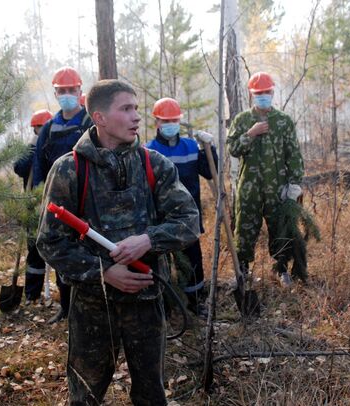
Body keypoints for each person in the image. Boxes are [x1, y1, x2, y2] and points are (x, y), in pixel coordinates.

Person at [37, 80, 200, 405]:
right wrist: (105, 271)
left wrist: (148, 240)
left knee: (151, 395)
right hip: (93, 309)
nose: (136, 117)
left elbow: (189, 222)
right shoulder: (69, 169)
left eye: (136, 108)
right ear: (99, 117)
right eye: (126, 109)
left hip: (146, 302)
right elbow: (50, 242)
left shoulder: (154, 165)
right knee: (85, 396)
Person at [227, 71, 305, 287]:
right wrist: (250, 134)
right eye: (258, 93)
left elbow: (294, 154)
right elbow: (232, 149)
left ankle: (281, 269)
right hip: (249, 188)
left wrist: (294, 184)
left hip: (276, 188)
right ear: (252, 94)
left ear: (272, 92)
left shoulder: (283, 121)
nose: (263, 95)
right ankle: (242, 271)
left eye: (266, 92)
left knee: (279, 229)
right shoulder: (242, 120)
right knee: (244, 229)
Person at [33, 67, 93, 323]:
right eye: (63, 91)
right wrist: (39, 197)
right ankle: (66, 306)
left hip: (89, 199)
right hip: (58, 204)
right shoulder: (49, 128)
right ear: (56, 94)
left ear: (80, 91)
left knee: (90, 251)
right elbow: (38, 165)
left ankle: (90, 305)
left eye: (72, 90)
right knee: (62, 254)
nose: (67, 95)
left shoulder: (90, 122)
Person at [146, 97, 216, 315]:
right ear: (157, 122)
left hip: (189, 215)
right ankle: (165, 304)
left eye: (174, 120)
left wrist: (208, 149)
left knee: (193, 258)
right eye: (165, 120)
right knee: (161, 261)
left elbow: (209, 171)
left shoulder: (191, 146)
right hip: (161, 216)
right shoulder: (148, 150)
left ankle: (195, 302)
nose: (170, 124)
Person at [13, 109, 53, 303]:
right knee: (34, 252)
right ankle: (31, 294)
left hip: (54, 206)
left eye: (44, 126)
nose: (41, 130)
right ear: (35, 129)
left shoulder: (54, 145)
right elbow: (18, 168)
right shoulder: (30, 148)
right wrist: (32, 150)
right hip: (33, 206)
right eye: (39, 127)